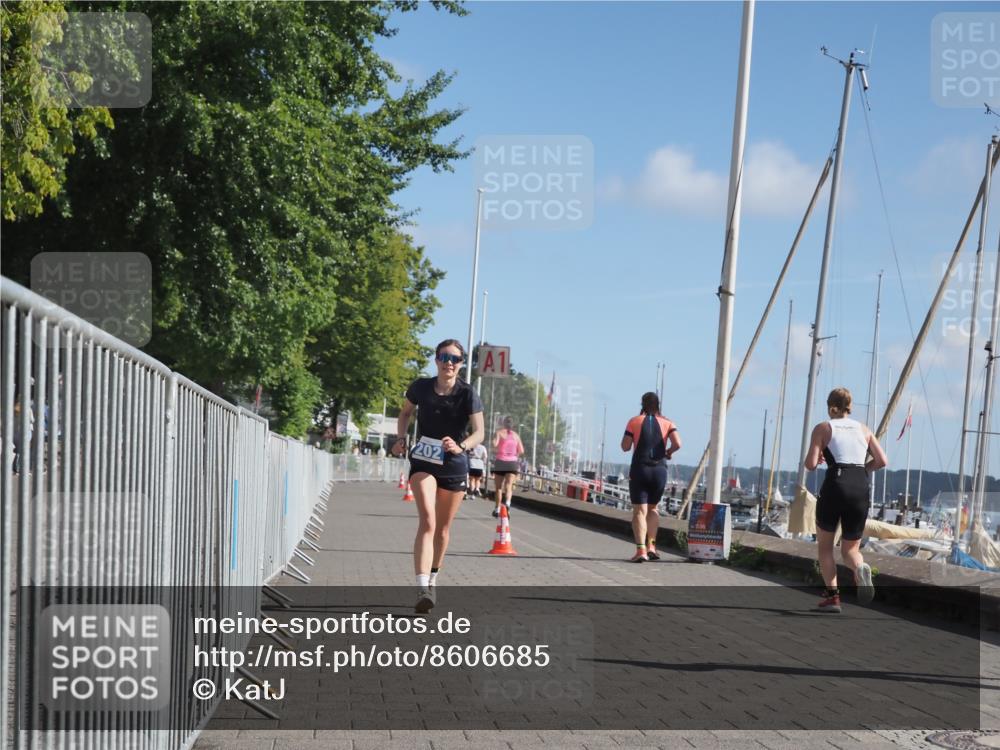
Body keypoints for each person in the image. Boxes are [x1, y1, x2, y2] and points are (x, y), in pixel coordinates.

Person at [392, 339, 484, 613]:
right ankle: (421, 587)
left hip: (454, 464)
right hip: (424, 461)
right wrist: (400, 438)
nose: (449, 362)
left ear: (461, 363)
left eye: (455, 359)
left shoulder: (467, 393)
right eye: (444, 357)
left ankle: (433, 577)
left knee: (442, 530)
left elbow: (479, 432)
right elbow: (405, 413)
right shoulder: (421, 387)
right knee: (428, 521)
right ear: (436, 359)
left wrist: (461, 446)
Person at [804, 387, 887, 613]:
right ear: (850, 406)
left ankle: (833, 598)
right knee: (850, 550)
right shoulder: (864, 429)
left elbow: (810, 465)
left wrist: (819, 454)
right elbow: (882, 460)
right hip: (860, 485)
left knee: (825, 548)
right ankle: (860, 567)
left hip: (835, 484)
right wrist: (864, 471)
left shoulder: (823, 428)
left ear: (831, 406)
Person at [621, 392, 681, 562]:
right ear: (658, 405)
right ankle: (652, 546)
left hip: (640, 469)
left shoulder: (634, 421)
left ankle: (641, 551)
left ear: (642, 404)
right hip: (659, 471)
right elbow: (678, 443)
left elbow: (625, 447)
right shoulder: (668, 422)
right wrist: (668, 452)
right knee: (653, 509)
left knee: (640, 511)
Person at [491, 416, 524, 517]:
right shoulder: (516, 436)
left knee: (498, 488)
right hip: (512, 463)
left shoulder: (499, 433)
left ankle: (497, 509)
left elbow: (494, 444)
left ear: (503, 424)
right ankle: (508, 504)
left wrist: (494, 444)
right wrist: (514, 455)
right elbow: (522, 451)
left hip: (501, 461)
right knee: (509, 486)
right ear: (512, 425)